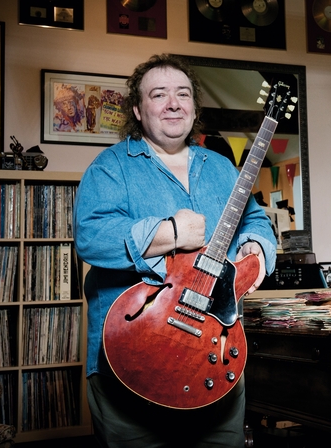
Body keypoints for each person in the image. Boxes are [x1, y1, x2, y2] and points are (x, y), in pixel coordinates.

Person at [73, 54, 277, 447]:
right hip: (133, 360)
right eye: (159, 94)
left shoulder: (222, 167)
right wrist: (170, 232)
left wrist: (255, 246)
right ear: (137, 110)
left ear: (194, 107)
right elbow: (91, 236)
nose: (173, 103)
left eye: (183, 94)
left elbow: (254, 219)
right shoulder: (110, 167)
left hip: (216, 355)